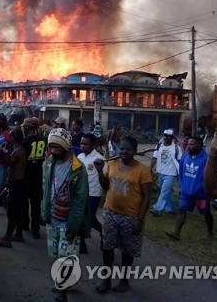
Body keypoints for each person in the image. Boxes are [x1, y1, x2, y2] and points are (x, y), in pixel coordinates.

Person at [94, 136, 152, 293]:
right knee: (107, 247)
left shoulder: (143, 170)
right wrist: (100, 171)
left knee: (127, 250)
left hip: (131, 216)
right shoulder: (111, 163)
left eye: (128, 149)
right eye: (122, 148)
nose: (124, 152)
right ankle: (106, 279)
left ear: (135, 151)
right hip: (110, 212)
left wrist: (139, 220)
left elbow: (147, 196)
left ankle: (124, 280)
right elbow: (106, 186)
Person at [41, 128, 89, 302]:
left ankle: (62, 293)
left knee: (65, 257)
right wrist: (43, 211)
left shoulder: (78, 169)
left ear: (66, 146)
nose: (52, 151)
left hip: (68, 222)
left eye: (57, 147)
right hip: (52, 219)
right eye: (51, 147)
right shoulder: (47, 164)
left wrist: (73, 225)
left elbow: (80, 200)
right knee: (55, 255)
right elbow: (45, 189)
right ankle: (65, 282)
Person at [165, 137, 213, 241]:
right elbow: (181, 172)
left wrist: (207, 191)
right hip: (186, 192)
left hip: (201, 194)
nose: (188, 146)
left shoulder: (206, 159)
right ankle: (176, 232)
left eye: (192, 144)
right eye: (188, 144)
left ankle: (210, 232)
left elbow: (209, 177)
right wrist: (182, 187)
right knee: (182, 210)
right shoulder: (185, 156)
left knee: (206, 213)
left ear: (199, 146)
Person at [0, 128, 28, 248]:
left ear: (13, 138)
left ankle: (7, 237)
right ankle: (18, 234)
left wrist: (3, 152)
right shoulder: (19, 149)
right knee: (17, 210)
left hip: (17, 183)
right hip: (18, 182)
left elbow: (9, 163)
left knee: (13, 211)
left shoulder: (18, 150)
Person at [77, 133, 104, 253]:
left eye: (85, 144)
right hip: (81, 192)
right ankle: (104, 232)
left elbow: (104, 177)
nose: (82, 146)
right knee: (86, 217)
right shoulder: (79, 157)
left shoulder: (99, 159)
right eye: (81, 143)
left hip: (93, 193)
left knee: (87, 217)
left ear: (93, 145)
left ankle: (82, 243)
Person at [22, 117, 46, 239]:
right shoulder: (42, 140)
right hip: (38, 176)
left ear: (27, 128)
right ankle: (35, 229)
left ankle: (25, 224)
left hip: (26, 176)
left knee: (25, 203)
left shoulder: (25, 141)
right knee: (36, 205)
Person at [149, 129, 183, 216]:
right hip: (160, 172)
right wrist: (150, 168)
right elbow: (154, 158)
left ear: (172, 137)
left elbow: (180, 161)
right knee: (165, 191)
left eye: (168, 136)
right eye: (164, 135)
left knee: (164, 191)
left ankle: (157, 208)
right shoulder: (159, 146)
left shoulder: (176, 148)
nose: (165, 137)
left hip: (171, 174)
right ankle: (170, 208)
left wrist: (180, 173)